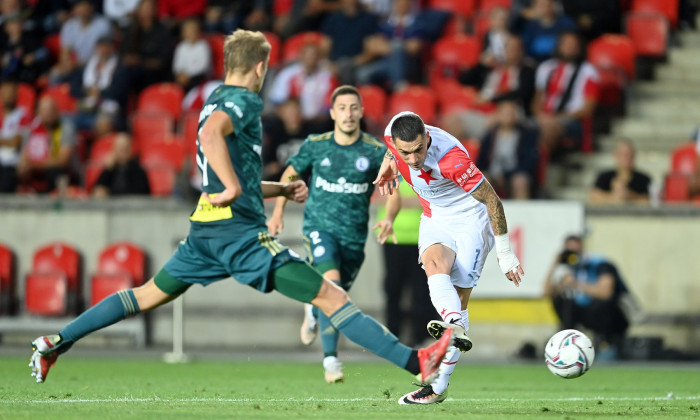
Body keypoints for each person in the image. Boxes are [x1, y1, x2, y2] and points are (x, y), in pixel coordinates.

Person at [29, 29, 452, 388]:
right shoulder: (245, 101)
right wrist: (233, 187)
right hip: (239, 236)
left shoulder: (212, 98)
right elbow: (215, 141)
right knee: (329, 295)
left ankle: (55, 342)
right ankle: (417, 363)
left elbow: (230, 167)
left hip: (204, 233)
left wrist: (278, 192)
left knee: (144, 295)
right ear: (260, 68)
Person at [373, 111, 524, 404]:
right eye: (406, 152)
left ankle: (439, 386)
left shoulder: (452, 160)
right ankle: (453, 324)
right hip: (435, 215)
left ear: (427, 138)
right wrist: (389, 162)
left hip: (470, 219)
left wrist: (505, 254)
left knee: (459, 296)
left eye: (419, 149)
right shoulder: (393, 133)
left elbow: (493, 200)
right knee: (433, 265)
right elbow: (392, 151)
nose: (414, 158)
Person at [266, 84, 388, 383]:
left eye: (353, 108)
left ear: (361, 112)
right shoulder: (316, 144)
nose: (348, 114)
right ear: (332, 113)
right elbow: (290, 175)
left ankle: (311, 306)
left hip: (354, 238)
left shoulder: (374, 151)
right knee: (332, 288)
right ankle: (331, 361)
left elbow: (391, 186)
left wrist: (391, 217)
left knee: (334, 298)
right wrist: (279, 211)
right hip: (319, 228)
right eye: (342, 108)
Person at [543, 235, 630, 359]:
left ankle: (606, 344)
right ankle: (568, 340)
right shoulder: (567, 269)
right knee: (560, 300)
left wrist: (576, 283)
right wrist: (555, 264)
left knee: (601, 303)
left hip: (607, 316)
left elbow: (606, 293)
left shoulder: (599, 264)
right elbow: (546, 293)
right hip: (583, 313)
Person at [375, 180, 434, 347]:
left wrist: (396, 200)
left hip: (420, 240)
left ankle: (421, 338)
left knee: (421, 291)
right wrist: (411, 201)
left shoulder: (422, 167)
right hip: (392, 237)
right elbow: (376, 197)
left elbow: (430, 200)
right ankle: (392, 337)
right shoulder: (389, 168)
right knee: (392, 288)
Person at [531, 31, 599, 152]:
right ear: (559, 46)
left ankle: (540, 167)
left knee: (549, 127)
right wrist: (541, 116)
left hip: (572, 120)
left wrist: (558, 118)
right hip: (545, 117)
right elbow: (537, 101)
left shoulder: (588, 71)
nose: (569, 47)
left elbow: (588, 108)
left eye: (573, 45)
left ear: (579, 48)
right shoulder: (545, 68)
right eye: (566, 44)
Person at [476, 100, 539, 199]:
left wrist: (506, 174)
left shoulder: (526, 135)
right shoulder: (490, 135)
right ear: (498, 115)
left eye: (511, 113)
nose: (508, 116)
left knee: (520, 181)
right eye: (505, 113)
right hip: (493, 173)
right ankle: (483, 212)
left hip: (515, 173)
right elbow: (481, 160)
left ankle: (522, 212)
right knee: (482, 181)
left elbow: (528, 162)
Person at [17, 96, 77, 192]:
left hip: (62, 173)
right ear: (38, 112)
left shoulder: (65, 128)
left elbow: (62, 161)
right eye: (45, 110)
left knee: (54, 172)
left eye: (51, 109)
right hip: (35, 172)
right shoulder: (31, 130)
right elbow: (24, 156)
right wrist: (23, 167)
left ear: (57, 111)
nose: (49, 113)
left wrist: (33, 165)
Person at [268, 41, 337, 122]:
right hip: (292, 121)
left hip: (318, 121)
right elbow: (277, 100)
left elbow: (331, 104)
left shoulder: (327, 76)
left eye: (314, 55)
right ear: (301, 55)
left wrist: (322, 116)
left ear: (319, 57)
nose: (311, 58)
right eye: (307, 54)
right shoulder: (288, 74)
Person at [589, 139, 651, 205]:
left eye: (629, 154)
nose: (626, 157)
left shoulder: (644, 179)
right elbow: (593, 195)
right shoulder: (604, 177)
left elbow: (651, 199)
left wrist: (630, 196)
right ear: (616, 155)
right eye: (623, 154)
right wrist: (614, 197)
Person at [92, 132, 150, 198]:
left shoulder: (138, 171)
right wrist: (107, 170)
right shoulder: (109, 170)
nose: (122, 151)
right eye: (120, 148)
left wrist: (109, 193)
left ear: (131, 150)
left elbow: (140, 194)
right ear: (113, 149)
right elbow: (96, 190)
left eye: (125, 148)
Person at [0, 79, 31, 193]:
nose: (7, 95)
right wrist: (6, 141)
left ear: (16, 95)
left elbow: (15, 142)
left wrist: (7, 142)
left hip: (12, 163)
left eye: (11, 92)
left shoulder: (23, 115)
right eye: (5, 92)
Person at [172, 19, 211, 93]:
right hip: (183, 77)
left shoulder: (203, 45)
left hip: (198, 76)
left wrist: (188, 74)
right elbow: (177, 65)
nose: (191, 33)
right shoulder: (181, 46)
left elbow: (203, 66)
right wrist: (180, 74)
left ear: (199, 32)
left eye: (193, 30)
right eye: (188, 30)